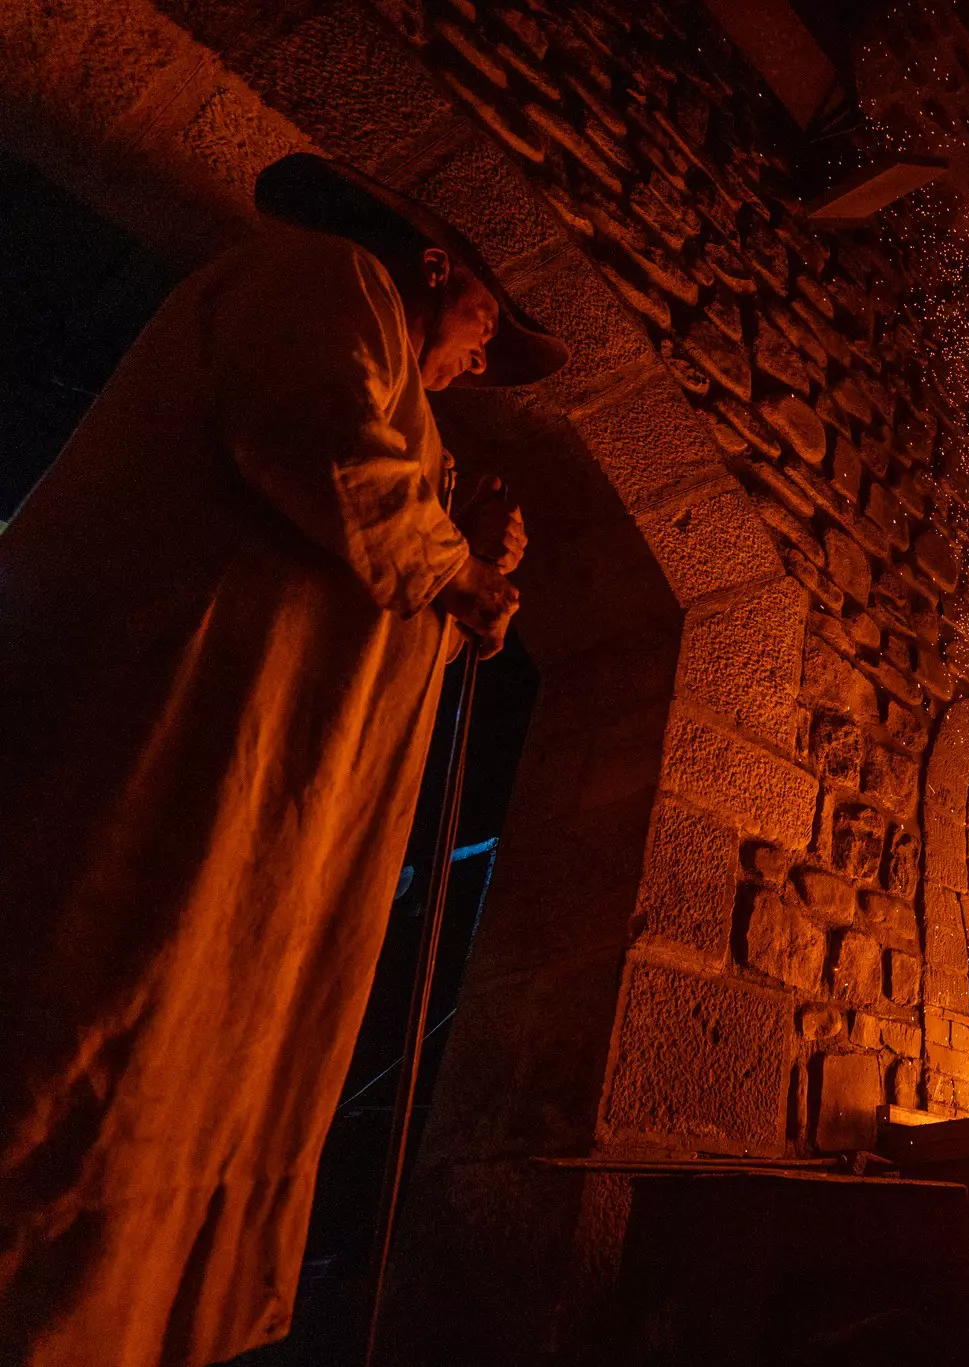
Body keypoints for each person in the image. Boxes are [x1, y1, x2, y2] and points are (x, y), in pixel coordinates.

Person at [0, 154, 567, 1367]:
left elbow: (373, 596)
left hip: (265, 820)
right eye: (482, 326)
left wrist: (464, 573)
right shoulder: (325, 281)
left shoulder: (412, 417)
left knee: (175, 1082)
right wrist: (459, 568)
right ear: (435, 272)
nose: (480, 360)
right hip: (164, 766)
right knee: (81, 1043)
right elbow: (322, 454)